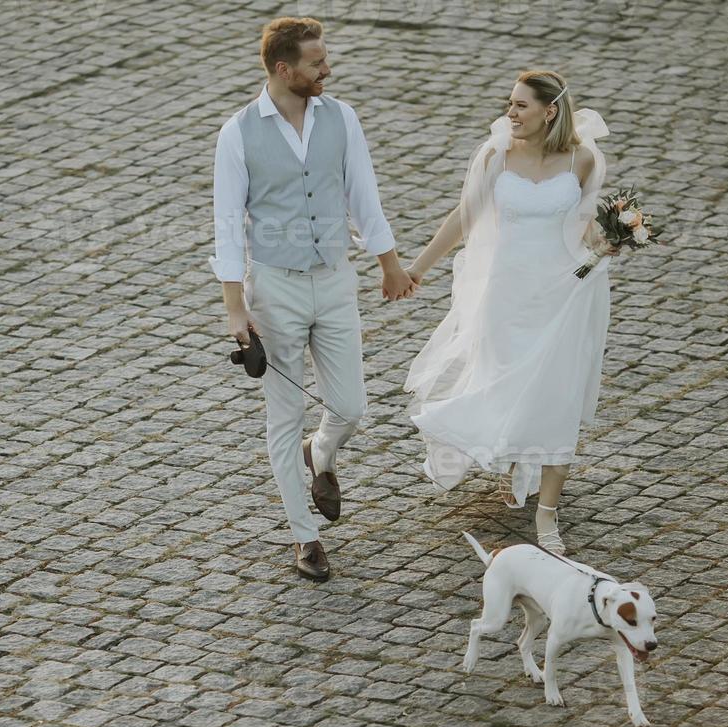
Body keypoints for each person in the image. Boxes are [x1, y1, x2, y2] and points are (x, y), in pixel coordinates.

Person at [211, 17, 416, 582]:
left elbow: (363, 195)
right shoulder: (238, 133)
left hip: (333, 279)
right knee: (285, 414)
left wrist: (389, 263)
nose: (328, 68)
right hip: (273, 287)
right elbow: (228, 225)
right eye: (317, 62)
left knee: (351, 407)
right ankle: (305, 535)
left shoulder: (341, 117)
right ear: (284, 69)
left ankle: (320, 454)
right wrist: (235, 307)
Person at [402, 69, 617, 555]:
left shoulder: (583, 160)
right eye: (511, 103)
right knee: (507, 384)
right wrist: (416, 268)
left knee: (556, 394)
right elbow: (464, 215)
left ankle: (547, 516)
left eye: (521, 105)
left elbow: (584, 227)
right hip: (506, 295)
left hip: (563, 291)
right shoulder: (496, 155)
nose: (511, 113)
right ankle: (515, 457)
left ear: (550, 111)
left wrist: (607, 244)